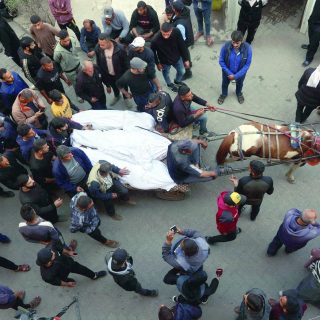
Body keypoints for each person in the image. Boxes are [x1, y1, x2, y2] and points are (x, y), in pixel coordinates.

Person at [36, 246, 107, 287]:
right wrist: (67, 284)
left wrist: (68, 252)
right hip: (61, 275)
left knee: (83, 269)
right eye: (52, 254)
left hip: (70, 264)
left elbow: (59, 248)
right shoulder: (46, 276)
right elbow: (57, 282)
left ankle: (94, 275)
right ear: (48, 262)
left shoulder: (51, 248)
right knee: (66, 280)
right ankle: (68, 281)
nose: (53, 252)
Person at [151, 23, 189, 92]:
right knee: (166, 73)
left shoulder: (176, 31)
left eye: (168, 34)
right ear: (161, 30)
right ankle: (169, 84)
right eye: (164, 34)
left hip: (177, 57)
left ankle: (177, 81)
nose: (166, 36)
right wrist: (157, 63)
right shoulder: (155, 40)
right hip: (164, 61)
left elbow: (182, 45)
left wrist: (186, 59)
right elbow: (153, 53)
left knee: (182, 71)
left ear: (171, 30)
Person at [218, 30, 252, 105]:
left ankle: (239, 93)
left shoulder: (248, 48)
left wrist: (236, 76)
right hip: (227, 72)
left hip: (240, 73)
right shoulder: (226, 46)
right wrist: (229, 73)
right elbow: (221, 61)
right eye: (233, 42)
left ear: (242, 41)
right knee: (224, 83)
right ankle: (224, 94)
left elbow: (247, 65)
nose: (235, 45)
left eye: (237, 43)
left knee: (240, 84)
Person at [95, 33, 129, 106]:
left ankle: (126, 98)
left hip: (120, 74)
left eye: (102, 45)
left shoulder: (120, 49)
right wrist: (106, 83)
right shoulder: (98, 48)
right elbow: (98, 63)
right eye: (99, 44)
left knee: (123, 86)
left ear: (109, 42)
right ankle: (117, 96)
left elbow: (126, 64)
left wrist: (126, 76)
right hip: (108, 74)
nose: (100, 46)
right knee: (114, 86)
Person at [53, 30, 83, 102]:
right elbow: (56, 60)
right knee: (75, 84)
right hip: (70, 71)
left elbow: (74, 46)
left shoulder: (72, 39)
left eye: (68, 40)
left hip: (78, 65)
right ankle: (78, 95)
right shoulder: (57, 51)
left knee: (83, 79)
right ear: (60, 40)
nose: (67, 42)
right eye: (65, 41)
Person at [171, 0, 194, 80]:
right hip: (188, 37)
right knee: (186, 53)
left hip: (183, 42)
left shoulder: (180, 24)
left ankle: (188, 72)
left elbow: (182, 39)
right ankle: (189, 63)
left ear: (174, 9)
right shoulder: (185, 11)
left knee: (184, 57)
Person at [301, 0, 320, 67]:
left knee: (314, 41)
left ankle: (309, 58)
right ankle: (310, 46)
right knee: (311, 35)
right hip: (313, 18)